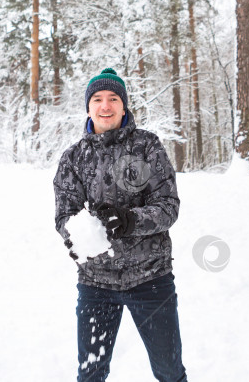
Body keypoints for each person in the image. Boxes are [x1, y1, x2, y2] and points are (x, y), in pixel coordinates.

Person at [54, 67, 188, 382]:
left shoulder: (147, 147)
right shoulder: (74, 158)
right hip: (96, 285)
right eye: (98, 99)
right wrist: (86, 236)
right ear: (88, 107)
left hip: (151, 280)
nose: (105, 105)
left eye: (113, 98)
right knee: (91, 374)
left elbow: (169, 207)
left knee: (169, 372)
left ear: (123, 105)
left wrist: (129, 220)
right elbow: (64, 218)